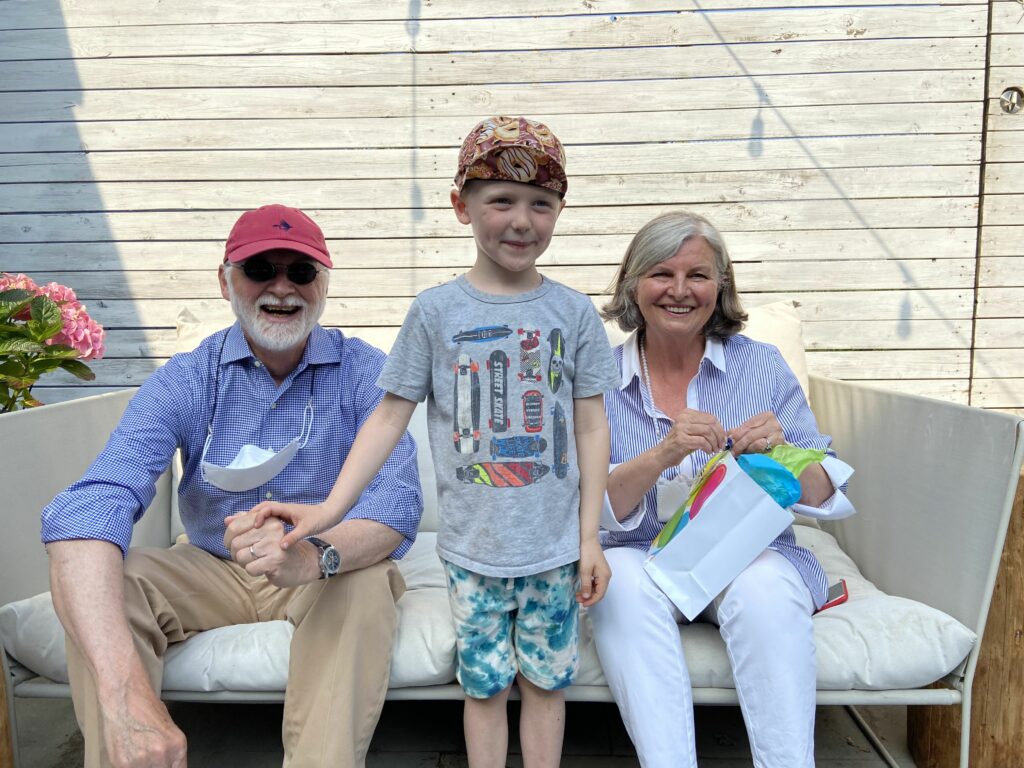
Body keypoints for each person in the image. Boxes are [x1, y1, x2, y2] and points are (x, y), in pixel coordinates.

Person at [247, 116, 622, 768]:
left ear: (560, 210)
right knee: (483, 688)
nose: (521, 220)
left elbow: (590, 425)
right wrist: (329, 511)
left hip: (556, 552)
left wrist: (590, 538)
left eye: (541, 203)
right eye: (501, 200)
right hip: (473, 554)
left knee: (546, 684)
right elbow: (389, 417)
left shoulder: (574, 313)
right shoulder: (434, 312)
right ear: (462, 205)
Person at [41, 203, 423, 768]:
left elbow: (397, 503)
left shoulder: (362, 371)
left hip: (318, 566)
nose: (281, 288)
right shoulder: (188, 378)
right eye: (260, 268)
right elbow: (96, 500)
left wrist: (314, 557)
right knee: (102, 584)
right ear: (225, 281)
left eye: (300, 272)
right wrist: (128, 701)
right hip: (208, 564)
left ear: (323, 285)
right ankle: (130, 740)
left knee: (366, 584)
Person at [590, 210, 856, 768]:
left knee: (764, 588)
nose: (680, 291)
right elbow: (590, 506)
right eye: (662, 273)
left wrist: (781, 454)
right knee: (621, 584)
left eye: (699, 276)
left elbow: (825, 486)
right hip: (640, 552)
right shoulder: (601, 379)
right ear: (633, 286)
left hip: (747, 551)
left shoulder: (761, 366)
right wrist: (663, 453)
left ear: (721, 287)